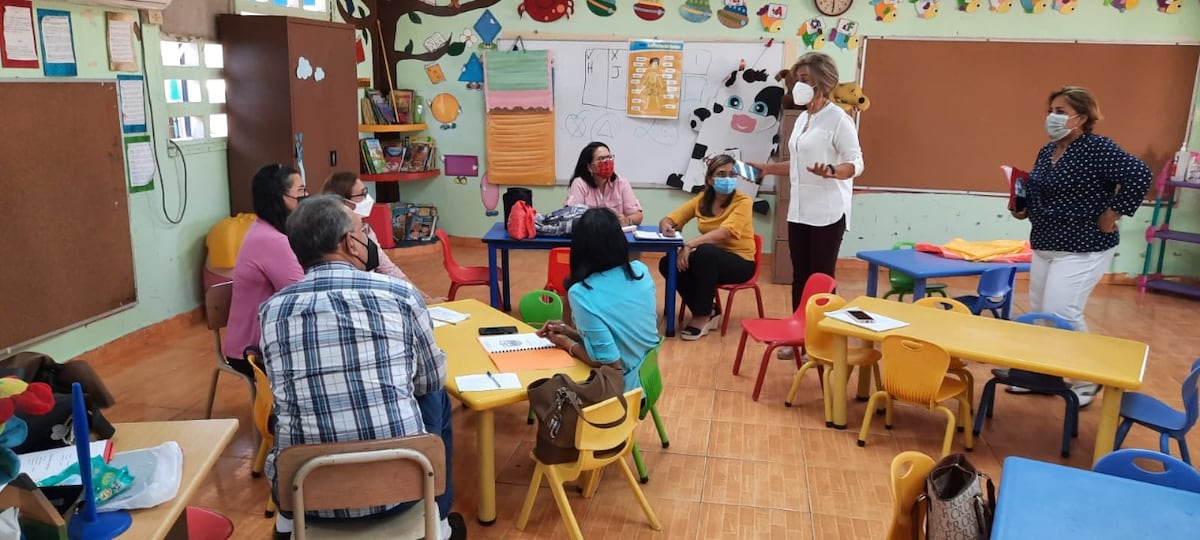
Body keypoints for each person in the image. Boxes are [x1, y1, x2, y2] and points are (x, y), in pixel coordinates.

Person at [259, 195, 465, 540]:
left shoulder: (272, 310)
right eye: (362, 229)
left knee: (290, 406)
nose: (368, 236)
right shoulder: (400, 294)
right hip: (403, 487)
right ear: (349, 243)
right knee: (436, 396)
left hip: (305, 493)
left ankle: (286, 527)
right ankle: (438, 522)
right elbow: (430, 378)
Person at [1009, 85, 1151, 406]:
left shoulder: (1097, 148)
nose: (1052, 117)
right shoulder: (1049, 150)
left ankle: (1087, 379)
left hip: (1083, 246)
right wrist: (1023, 207)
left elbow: (1139, 174)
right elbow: (1041, 191)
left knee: (1063, 312)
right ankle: (1043, 375)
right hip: (1046, 242)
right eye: (1050, 111)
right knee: (1042, 314)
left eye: (1060, 112)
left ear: (1082, 118)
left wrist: (1113, 213)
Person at [752, 51, 864, 360]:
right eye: (796, 80)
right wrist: (765, 167)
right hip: (799, 209)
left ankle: (824, 339)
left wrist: (831, 172)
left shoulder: (839, 119)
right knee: (800, 275)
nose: (798, 86)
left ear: (823, 83)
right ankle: (798, 335)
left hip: (828, 211)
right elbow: (798, 164)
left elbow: (855, 163)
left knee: (821, 277)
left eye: (804, 81)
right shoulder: (803, 117)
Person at [537, 209, 659, 391]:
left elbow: (610, 363)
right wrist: (569, 332)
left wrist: (567, 343)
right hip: (649, 378)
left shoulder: (582, 292)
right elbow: (620, 336)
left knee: (547, 386)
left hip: (622, 392)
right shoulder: (640, 270)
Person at [657, 154, 756, 341]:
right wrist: (666, 226)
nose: (728, 179)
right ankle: (709, 310)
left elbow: (725, 232)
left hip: (740, 262)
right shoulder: (702, 199)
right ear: (710, 179)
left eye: (732, 175)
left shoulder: (743, 201)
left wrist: (689, 245)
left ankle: (702, 316)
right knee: (667, 263)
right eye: (722, 174)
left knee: (705, 252)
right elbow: (670, 219)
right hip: (709, 260)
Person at [223, 163, 306, 378]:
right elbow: (304, 295)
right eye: (300, 193)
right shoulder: (271, 240)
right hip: (253, 350)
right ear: (278, 198)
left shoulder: (268, 229)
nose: (306, 199)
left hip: (267, 340)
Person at [321, 172, 445, 303]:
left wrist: (423, 298)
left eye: (366, 192)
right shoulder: (329, 237)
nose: (368, 198)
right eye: (362, 194)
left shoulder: (366, 229)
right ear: (343, 202)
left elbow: (387, 268)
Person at [565, 142, 644, 226]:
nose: (607, 162)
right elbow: (572, 217)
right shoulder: (580, 184)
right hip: (590, 235)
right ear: (589, 167)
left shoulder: (621, 183)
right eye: (601, 159)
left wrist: (627, 220)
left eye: (609, 157)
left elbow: (638, 216)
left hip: (615, 235)